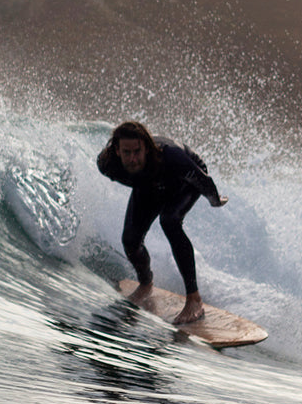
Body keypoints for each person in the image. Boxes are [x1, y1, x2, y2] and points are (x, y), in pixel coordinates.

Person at [97, 120, 227, 324]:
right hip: (151, 186)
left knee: (170, 221)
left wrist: (215, 200)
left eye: (137, 151)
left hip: (183, 182)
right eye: (127, 152)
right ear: (117, 151)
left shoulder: (171, 156)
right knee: (130, 240)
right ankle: (146, 284)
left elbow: (203, 180)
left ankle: (194, 300)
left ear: (147, 148)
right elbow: (138, 181)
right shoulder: (107, 164)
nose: (132, 159)